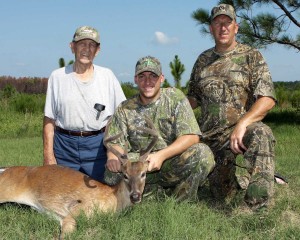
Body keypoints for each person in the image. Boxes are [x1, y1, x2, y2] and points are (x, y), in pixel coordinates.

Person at [187, 4, 277, 210]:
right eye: (218, 23)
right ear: (211, 29)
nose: (223, 28)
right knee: (221, 194)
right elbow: (193, 99)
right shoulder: (203, 60)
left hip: (240, 133)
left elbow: (267, 99)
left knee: (262, 133)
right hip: (210, 139)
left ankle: (256, 207)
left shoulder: (251, 56)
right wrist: (171, 106)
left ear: (236, 27)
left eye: (227, 23)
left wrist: (243, 123)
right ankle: (245, 181)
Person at [104, 56, 215, 202]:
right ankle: (143, 195)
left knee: (202, 154)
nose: (147, 81)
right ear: (135, 79)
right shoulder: (125, 108)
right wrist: (113, 157)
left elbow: (192, 136)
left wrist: (161, 155)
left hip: (169, 162)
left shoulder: (175, 98)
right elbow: (115, 141)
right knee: (110, 175)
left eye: (153, 76)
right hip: (138, 167)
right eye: (142, 76)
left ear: (161, 78)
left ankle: (181, 202)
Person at [43, 26, 126, 182]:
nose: (86, 49)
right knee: (58, 195)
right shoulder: (57, 77)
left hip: (97, 146)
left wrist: (113, 152)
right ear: (72, 46)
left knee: (105, 195)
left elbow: (120, 118)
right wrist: (48, 156)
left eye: (91, 45)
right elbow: (49, 121)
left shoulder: (107, 76)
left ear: (98, 50)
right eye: (82, 43)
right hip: (64, 146)